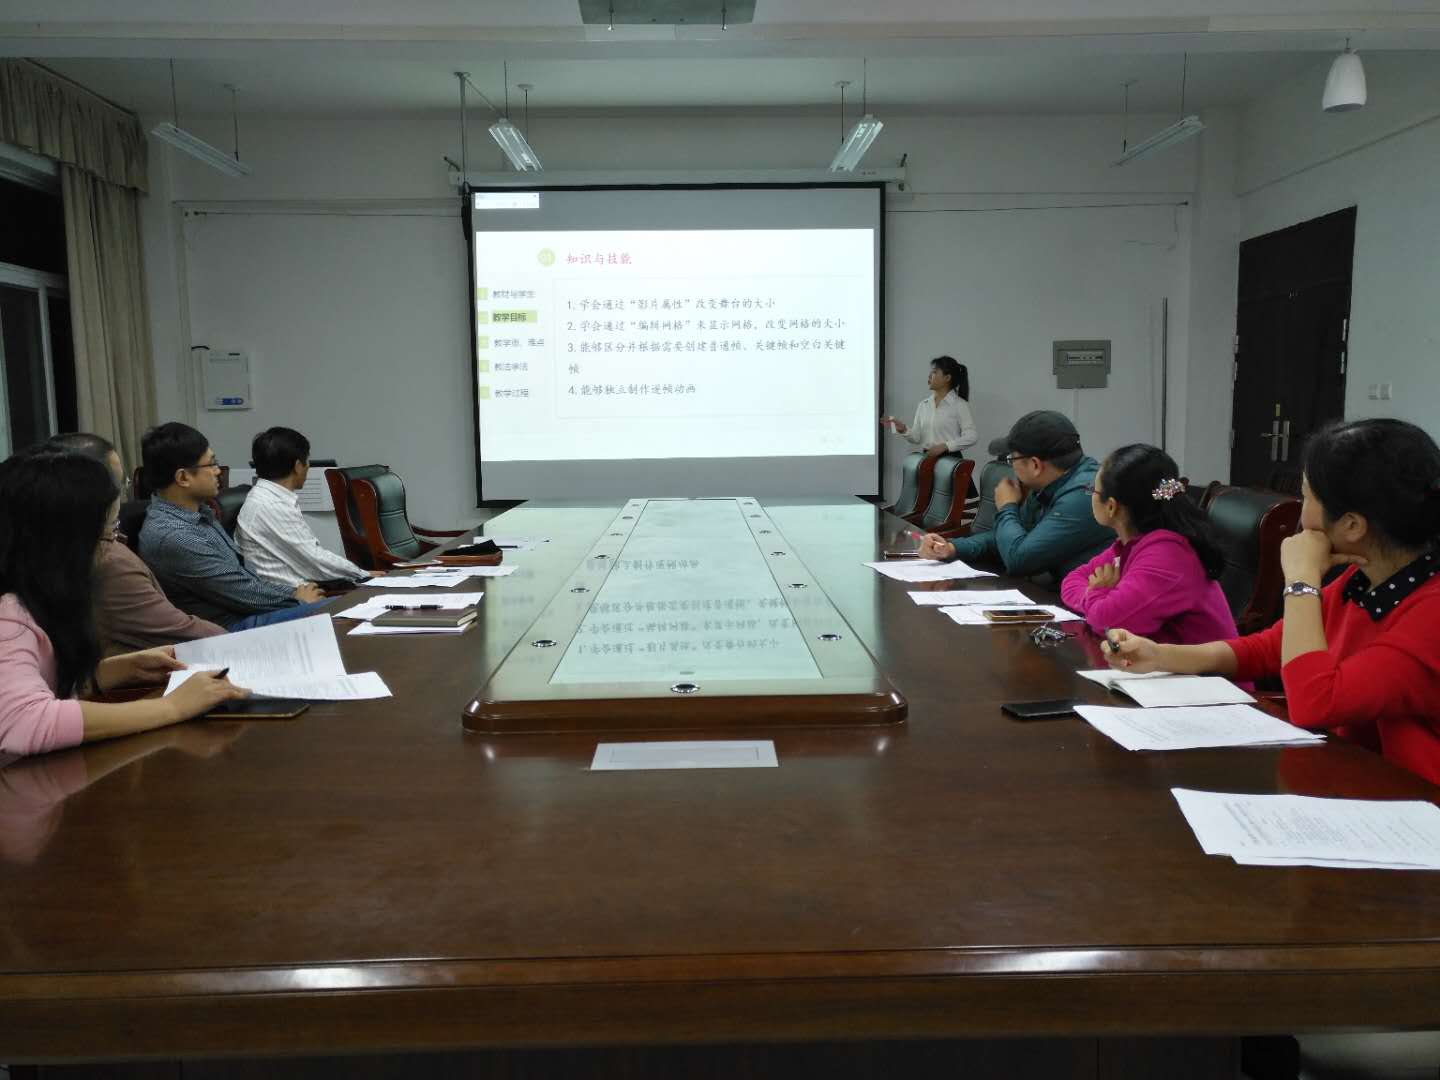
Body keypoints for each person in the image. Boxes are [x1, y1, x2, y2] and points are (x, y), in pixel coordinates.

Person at [1105, 419, 1440, 785]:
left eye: (1307, 497)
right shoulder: (1361, 580)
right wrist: (1160, 656)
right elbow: (1270, 648)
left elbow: (1315, 703)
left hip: (1416, 801)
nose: (1300, 512)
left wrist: (1301, 580)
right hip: (1354, 777)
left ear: (1352, 526)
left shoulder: (1430, 612)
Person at [0, 447, 247, 757]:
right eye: (107, 532)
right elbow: (23, 721)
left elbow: (36, 687)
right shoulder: (9, 615)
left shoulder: (38, 600)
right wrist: (173, 707)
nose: (112, 546)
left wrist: (106, 674)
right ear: (64, 543)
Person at [46, 433, 226, 655]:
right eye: (120, 483)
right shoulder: (108, 562)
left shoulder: (54, 546)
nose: (218, 471)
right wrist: (235, 640)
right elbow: (186, 632)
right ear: (94, 490)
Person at [137, 422, 329, 631]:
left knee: (343, 607)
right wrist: (298, 600)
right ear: (183, 477)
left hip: (250, 612)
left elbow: (244, 576)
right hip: (230, 628)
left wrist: (293, 593)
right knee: (337, 611)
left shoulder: (199, 513)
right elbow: (242, 592)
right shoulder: (174, 536)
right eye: (211, 464)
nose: (218, 471)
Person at [1059, 444, 1237, 645]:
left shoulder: (1166, 556)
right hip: (1161, 662)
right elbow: (1072, 581)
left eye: (1093, 490)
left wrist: (1098, 593)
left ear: (1111, 506)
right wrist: (1099, 600)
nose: (1091, 494)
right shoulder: (1135, 543)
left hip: (1202, 666)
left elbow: (1106, 622)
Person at [919, 410, 1112, 583]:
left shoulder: (1084, 495)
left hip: (1093, 603)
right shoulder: (1049, 483)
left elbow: (1019, 559)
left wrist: (1007, 507)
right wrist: (952, 548)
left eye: (1012, 459)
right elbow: (1006, 539)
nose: (1011, 466)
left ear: (1035, 465)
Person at [235, 426, 373, 589]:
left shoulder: (268, 498)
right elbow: (315, 561)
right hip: (289, 596)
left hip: (300, 589)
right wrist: (363, 574)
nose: (308, 466)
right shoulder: (270, 505)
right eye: (307, 461)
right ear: (298, 466)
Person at [880, 355, 977, 462]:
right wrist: (903, 429)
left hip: (950, 462)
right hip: (927, 460)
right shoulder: (923, 405)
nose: (929, 375)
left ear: (947, 378)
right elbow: (917, 438)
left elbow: (972, 436)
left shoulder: (959, 405)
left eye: (934, 372)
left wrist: (945, 446)